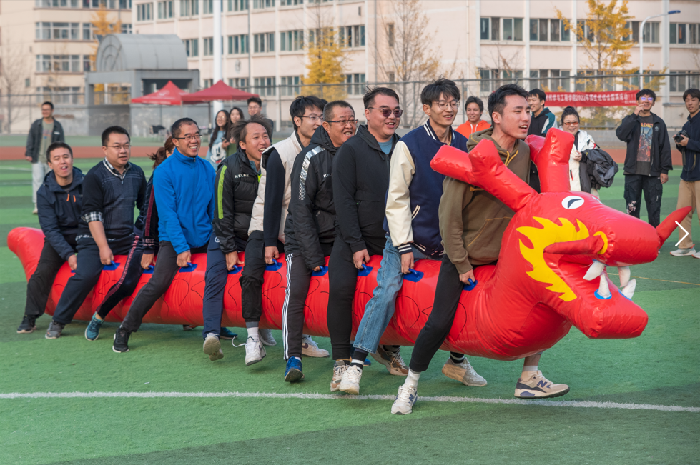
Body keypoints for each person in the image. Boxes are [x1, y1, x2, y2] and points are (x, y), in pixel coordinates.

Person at [392, 84, 569, 415]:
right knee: (439, 323)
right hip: (467, 255)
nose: (526, 117)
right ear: (497, 117)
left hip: (506, 254)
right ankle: (410, 385)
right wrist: (461, 263)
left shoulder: (525, 152)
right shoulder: (472, 154)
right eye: (517, 111)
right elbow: (449, 216)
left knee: (546, 297)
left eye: (528, 111)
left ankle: (530, 376)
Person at [340, 79, 486, 395]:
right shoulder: (410, 144)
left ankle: (457, 360)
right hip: (408, 239)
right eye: (442, 103)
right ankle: (356, 363)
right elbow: (397, 198)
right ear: (426, 108)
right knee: (386, 290)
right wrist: (404, 246)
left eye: (453, 103)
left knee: (462, 294)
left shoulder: (464, 144)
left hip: (447, 241)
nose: (449, 109)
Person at [112, 118, 215, 353]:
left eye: (196, 135)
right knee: (158, 283)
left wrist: (215, 238)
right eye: (188, 136)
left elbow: (212, 211)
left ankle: (216, 327)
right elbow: (168, 215)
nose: (194, 140)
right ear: (175, 141)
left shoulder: (207, 168)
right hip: (173, 238)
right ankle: (125, 328)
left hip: (204, 236)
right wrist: (181, 247)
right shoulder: (164, 172)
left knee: (220, 275)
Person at [241, 95, 328, 365]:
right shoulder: (279, 152)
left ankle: (302, 338)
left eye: (321, 117)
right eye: (312, 117)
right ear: (297, 121)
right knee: (252, 272)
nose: (318, 122)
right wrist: (269, 241)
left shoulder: (322, 149)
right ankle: (253, 336)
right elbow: (272, 201)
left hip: (299, 225)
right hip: (267, 223)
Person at [327, 87, 401, 392]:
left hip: (394, 236)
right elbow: (343, 201)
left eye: (396, 111)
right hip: (354, 236)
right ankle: (341, 360)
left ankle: (390, 349)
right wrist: (356, 244)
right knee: (341, 288)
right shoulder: (351, 150)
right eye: (385, 111)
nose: (392, 117)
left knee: (400, 289)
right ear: (368, 114)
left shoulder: (403, 147)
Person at [45, 126, 147, 340]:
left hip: (126, 237)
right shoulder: (94, 175)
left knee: (156, 262)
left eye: (126, 146)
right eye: (117, 146)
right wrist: (103, 246)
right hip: (94, 238)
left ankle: (184, 318)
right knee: (86, 274)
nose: (123, 150)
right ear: (104, 149)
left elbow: (144, 206)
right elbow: (93, 214)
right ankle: (59, 320)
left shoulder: (137, 173)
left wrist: (142, 233)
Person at [282, 100, 356, 382]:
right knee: (297, 292)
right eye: (342, 121)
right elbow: (300, 210)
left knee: (350, 288)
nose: (349, 126)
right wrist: (312, 256)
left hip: (340, 237)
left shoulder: (356, 151)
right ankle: (293, 356)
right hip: (304, 237)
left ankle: (358, 350)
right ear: (326, 125)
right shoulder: (310, 156)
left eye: (352, 120)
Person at [201, 116, 269, 362]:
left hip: (260, 235)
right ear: (242, 144)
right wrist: (229, 248)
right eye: (256, 137)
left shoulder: (275, 164)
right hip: (227, 234)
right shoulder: (228, 167)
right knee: (214, 277)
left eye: (265, 136)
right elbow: (221, 211)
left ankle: (268, 329)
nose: (263, 142)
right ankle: (211, 334)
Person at [17, 142, 83, 334]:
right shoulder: (44, 192)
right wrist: (68, 254)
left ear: (72, 159)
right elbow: (50, 230)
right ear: (50, 164)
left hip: (86, 234)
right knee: (41, 273)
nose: (63, 162)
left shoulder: (87, 183)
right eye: (57, 158)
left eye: (66, 157)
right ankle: (30, 317)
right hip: (59, 238)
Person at [616, 89, 672, 228]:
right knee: (632, 210)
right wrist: (634, 114)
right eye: (643, 98)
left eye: (650, 98)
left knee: (654, 210)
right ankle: (634, 238)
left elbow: (665, 147)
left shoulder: (659, 122)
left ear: (653, 103)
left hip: (653, 174)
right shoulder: (631, 120)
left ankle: (654, 238)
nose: (646, 101)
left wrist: (664, 170)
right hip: (632, 172)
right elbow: (621, 134)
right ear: (637, 101)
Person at [670, 88, 700, 258]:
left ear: (699, 102)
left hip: (699, 175)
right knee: (681, 213)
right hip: (687, 175)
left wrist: (689, 143)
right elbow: (685, 145)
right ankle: (685, 246)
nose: (689, 103)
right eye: (687, 100)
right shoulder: (687, 123)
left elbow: (693, 144)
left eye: (693, 99)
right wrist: (679, 142)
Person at [26, 101, 65, 214]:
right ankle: (38, 205)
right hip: (38, 158)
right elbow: (30, 139)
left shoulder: (57, 126)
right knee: (38, 181)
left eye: (47, 109)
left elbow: (61, 143)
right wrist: (29, 153)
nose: (45, 111)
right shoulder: (36, 124)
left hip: (52, 160)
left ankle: (52, 205)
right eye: (43, 109)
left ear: (52, 111)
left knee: (52, 182)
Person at [560, 106, 599, 197]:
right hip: (564, 189)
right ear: (562, 124)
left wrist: (584, 157)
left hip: (586, 188)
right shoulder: (555, 140)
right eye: (568, 123)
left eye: (575, 122)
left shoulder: (587, 139)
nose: (572, 125)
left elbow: (598, 157)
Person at [526, 89, 556, 193]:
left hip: (544, 164)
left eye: (533, 100)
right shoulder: (528, 118)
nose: (531, 103)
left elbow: (543, 139)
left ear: (542, 102)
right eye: (529, 100)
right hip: (529, 163)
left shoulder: (550, 117)